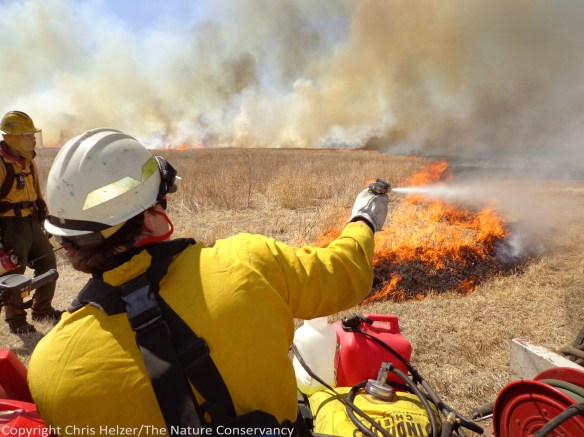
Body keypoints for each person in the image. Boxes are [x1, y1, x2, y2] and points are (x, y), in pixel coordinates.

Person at [27, 128, 389, 435]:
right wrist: (363, 221)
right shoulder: (248, 262)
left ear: (68, 244)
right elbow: (344, 274)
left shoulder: (47, 372)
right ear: (153, 220)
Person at [0, 110, 60, 334]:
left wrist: (43, 218)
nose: (34, 138)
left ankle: (42, 309)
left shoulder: (27, 161)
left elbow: (37, 196)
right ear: (14, 137)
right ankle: (16, 321)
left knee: (48, 265)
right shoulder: (1, 164)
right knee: (14, 275)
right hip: (11, 228)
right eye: (28, 134)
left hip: (32, 224)